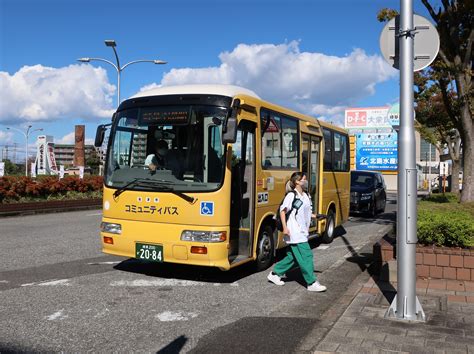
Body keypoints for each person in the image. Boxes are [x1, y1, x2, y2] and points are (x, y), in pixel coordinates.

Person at [267, 172, 327, 292]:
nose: (306, 181)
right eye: (304, 179)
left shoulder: (306, 195)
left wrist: (316, 216)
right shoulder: (291, 195)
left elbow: (305, 212)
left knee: (293, 257)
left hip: (302, 231)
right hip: (294, 231)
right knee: (306, 256)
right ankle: (311, 283)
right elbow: (282, 212)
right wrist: (285, 228)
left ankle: (275, 274)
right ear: (297, 182)